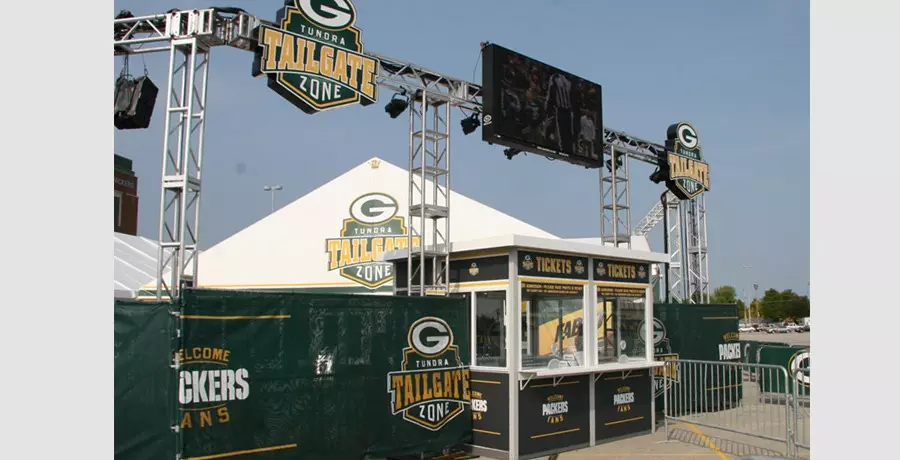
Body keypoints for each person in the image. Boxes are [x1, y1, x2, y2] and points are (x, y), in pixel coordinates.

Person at [544, 72, 574, 154]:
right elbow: (550, 93)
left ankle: (569, 152)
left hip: (568, 110)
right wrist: (547, 108)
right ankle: (563, 150)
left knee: (569, 133)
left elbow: (573, 95)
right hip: (560, 109)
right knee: (562, 133)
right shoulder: (555, 77)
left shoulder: (570, 79)